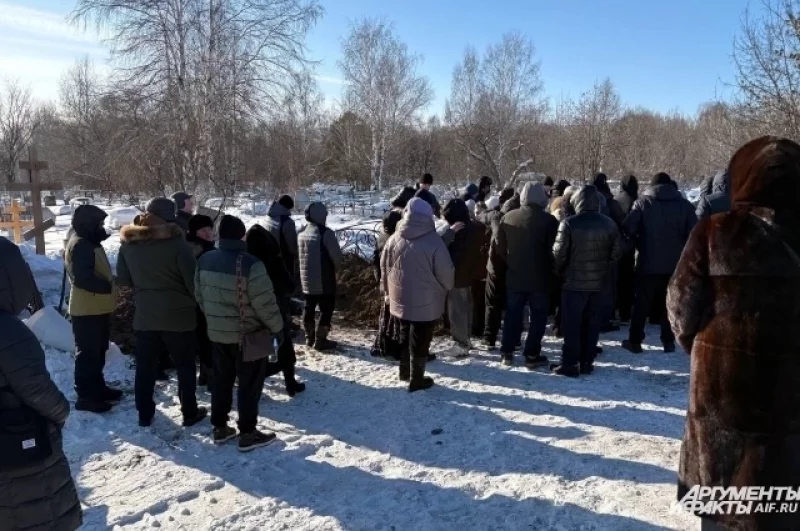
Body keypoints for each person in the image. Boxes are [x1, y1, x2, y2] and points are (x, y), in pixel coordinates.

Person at [667, 136, 800, 531]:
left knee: (721, 515)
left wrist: (706, 347)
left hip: (722, 405)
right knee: (784, 513)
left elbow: (680, 306)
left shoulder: (713, 232)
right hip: (790, 409)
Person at [0, 237, 83, 531]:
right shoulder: (8, 331)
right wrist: (62, 412)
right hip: (17, 446)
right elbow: (36, 389)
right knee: (35, 513)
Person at [194, 216, 284, 451]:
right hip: (248, 336)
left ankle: (220, 427)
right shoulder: (251, 264)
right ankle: (247, 432)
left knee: (221, 382)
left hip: (217, 334)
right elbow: (265, 304)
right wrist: (278, 329)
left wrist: (215, 320)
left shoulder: (205, 259)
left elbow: (200, 296)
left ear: (220, 236)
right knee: (249, 385)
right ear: (241, 235)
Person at [117, 197, 206, 428]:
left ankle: (144, 414)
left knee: (145, 368)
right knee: (185, 366)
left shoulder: (128, 244)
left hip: (145, 315)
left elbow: (124, 280)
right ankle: (189, 412)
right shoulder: (177, 244)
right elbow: (192, 282)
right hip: (180, 316)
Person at [381, 198, 455, 391]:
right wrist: (445, 287)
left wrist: (388, 292)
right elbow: (446, 274)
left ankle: (404, 371)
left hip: (399, 297)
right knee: (421, 339)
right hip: (426, 302)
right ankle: (417, 379)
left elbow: (384, 267)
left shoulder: (394, 238)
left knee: (405, 334)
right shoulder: (434, 241)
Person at [621, 173, 696, 354]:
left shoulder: (643, 203)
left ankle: (635, 340)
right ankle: (668, 341)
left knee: (641, 304)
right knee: (669, 304)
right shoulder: (685, 206)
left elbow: (627, 227)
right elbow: (694, 233)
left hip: (647, 262)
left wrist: (639, 241)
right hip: (674, 265)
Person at [551, 186, 621, 376]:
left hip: (573, 283)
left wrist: (560, 273)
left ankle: (570, 363)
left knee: (572, 325)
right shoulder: (610, 224)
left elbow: (558, 254)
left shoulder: (569, 224)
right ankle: (587, 362)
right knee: (592, 325)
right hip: (599, 284)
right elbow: (616, 254)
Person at [493, 183, 558, 368]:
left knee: (513, 314)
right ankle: (531, 354)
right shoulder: (549, 221)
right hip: (540, 277)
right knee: (538, 317)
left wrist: (510, 261)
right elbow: (554, 249)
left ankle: (507, 351)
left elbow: (500, 247)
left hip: (515, 275)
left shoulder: (508, 218)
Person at [64, 205, 121, 413]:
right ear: (88, 225)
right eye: (98, 224)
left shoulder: (88, 241)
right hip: (87, 309)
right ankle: (86, 396)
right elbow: (83, 278)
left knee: (98, 352)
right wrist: (107, 285)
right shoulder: (81, 245)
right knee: (88, 355)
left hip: (96, 307)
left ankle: (98, 388)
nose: (102, 228)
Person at [245, 223, 306, 397]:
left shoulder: (243, 261)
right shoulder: (274, 261)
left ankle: (256, 384)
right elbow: (289, 286)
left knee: (256, 349)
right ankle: (290, 383)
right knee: (284, 346)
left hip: (251, 313)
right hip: (276, 309)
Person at [370, 187, 414, 359]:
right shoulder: (396, 236)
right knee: (396, 316)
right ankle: (393, 348)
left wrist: (378, 275)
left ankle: (381, 344)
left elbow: (376, 256)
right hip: (395, 280)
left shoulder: (383, 232)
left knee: (386, 314)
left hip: (384, 279)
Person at [298, 202, 343, 351]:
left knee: (308, 307)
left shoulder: (302, 233)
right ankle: (320, 340)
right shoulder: (326, 233)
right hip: (324, 280)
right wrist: (338, 269)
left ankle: (308, 337)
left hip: (306, 281)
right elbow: (336, 257)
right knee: (326, 309)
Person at [442, 198, 482, 357]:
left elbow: (441, 248)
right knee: (466, 306)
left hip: (456, 274)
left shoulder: (458, 231)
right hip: (469, 273)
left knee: (456, 309)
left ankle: (461, 343)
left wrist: (449, 233)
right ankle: (466, 338)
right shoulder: (474, 226)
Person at [187, 214, 216, 388]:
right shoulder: (200, 250)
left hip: (197, 301)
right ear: (194, 232)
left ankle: (205, 374)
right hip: (204, 301)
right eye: (203, 230)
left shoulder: (197, 246)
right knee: (209, 340)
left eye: (210, 229)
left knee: (203, 339)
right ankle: (212, 377)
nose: (208, 233)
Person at [614, 175, 639, 323]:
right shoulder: (636, 202)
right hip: (629, 247)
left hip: (614, 245)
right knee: (627, 280)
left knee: (615, 280)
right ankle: (625, 312)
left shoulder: (615, 201)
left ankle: (615, 308)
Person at [264, 195, 299, 280]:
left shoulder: (268, 216)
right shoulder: (287, 222)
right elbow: (292, 247)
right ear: (287, 207)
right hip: (283, 261)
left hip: (267, 257)